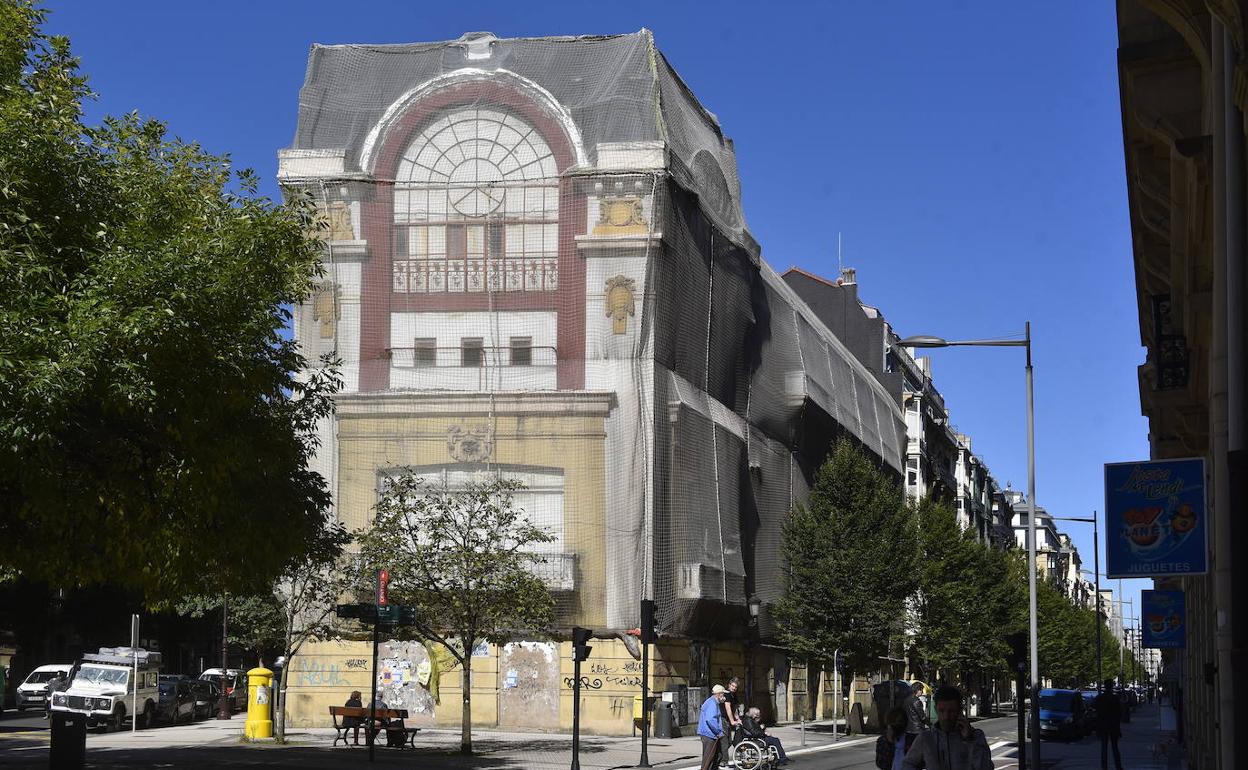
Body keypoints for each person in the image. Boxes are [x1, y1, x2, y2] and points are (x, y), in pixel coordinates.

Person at [901, 685, 992, 770]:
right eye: (942, 711)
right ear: (936, 709)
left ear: (959, 710)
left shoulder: (976, 736)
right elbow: (908, 764)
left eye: (951, 711)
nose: (946, 716)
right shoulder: (926, 738)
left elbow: (986, 767)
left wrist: (969, 740)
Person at [1092, 679, 1124, 770]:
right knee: (1115, 747)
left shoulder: (1100, 698)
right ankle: (1118, 766)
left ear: (1105, 686)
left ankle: (1104, 767)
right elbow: (1120, 713)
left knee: (1104, 748)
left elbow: (1095, 710)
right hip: (1113, 725)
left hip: (1103, 725)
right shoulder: (1115, 698)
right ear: (1112, 686)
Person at [698, 685, 727, 770]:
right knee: (708, 759)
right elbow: (710, 719)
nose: (724, 697)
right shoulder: (712, 703)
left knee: (714, 756)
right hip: (710, 734)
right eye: (723, 694)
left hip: (709, 734)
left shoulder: (712, 702)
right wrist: (718, 732)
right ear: (719, 694)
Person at [720, 677, 742, 767]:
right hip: (723, 719)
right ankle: (723, 761)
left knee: (729, 741)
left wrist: (738, 719)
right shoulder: (727, 694)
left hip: (727, 720)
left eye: (735, 687)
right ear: (729, 685)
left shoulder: (734, 695)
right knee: (725, 741)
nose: (733, 688)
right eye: (732, 686)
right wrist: (732, 721)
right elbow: (728, 708)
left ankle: (718, 756)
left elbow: (735, 709)